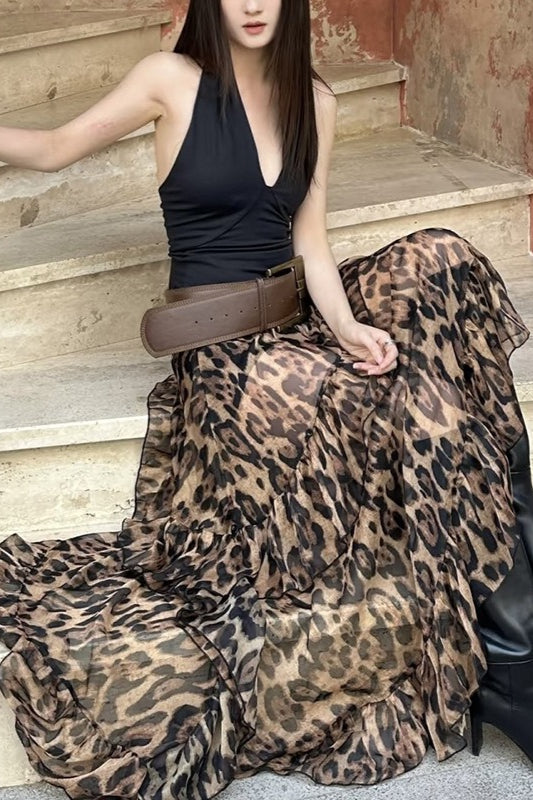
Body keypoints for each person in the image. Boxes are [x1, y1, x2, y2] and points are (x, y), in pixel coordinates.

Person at [0, 1, 532, 797]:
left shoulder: (313, 99)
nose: (252, 4)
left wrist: (347, 328)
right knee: (418, 408)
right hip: (219, 348)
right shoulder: (171, 80)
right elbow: (51, 149)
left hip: (290, 321)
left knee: (440, 261)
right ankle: (513, 662)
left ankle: (514, 640)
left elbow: (308, 240)